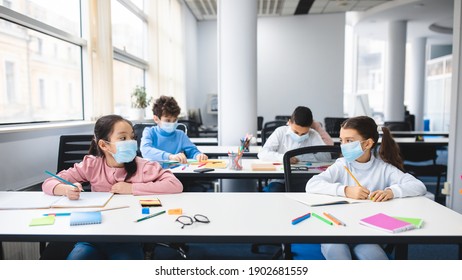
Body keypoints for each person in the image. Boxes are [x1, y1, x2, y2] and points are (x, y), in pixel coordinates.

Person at [42, 114, 183, 260]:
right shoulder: (92, 164)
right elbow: (49, 182)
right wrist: (65, 190)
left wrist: (132, 188)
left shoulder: (144, 166)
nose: (131, 142)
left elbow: (175, 184)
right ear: (104, 145)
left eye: (132, 137)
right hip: (94, 237)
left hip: (128, 237)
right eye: (122, 138)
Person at [306, 116, 427, 260]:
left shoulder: (383, 168)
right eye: (341, 140)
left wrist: (391, 192)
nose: (343, 145)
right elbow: (311, 184)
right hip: (336, 230)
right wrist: (345, 190)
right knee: (338, 254)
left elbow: (419, 186)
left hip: (367, 231)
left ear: (368, 143)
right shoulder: (342, 165)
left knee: (376, 258)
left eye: (349, 141)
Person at [257, 106, 333, 192]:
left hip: (304, 179)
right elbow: (262, 154)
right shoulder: (280, 132)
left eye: (304, 133)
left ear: (310, 127)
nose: (299, 135)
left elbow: (326, 156)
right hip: (281, 179)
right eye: (296, 132)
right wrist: (284, 158)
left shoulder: (313, 134)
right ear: (289, 122)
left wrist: (299, 158)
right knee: (274, 191)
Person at [140, 95, 208, 163]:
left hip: (176, 172)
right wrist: (170, 156)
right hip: (154, 172)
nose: (172, 123)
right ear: (156, 119)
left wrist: (198, 155)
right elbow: (145, 150)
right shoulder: (149, 132)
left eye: (174, 120)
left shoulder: (180, 135)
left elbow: (192, 151)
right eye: (168, 120)